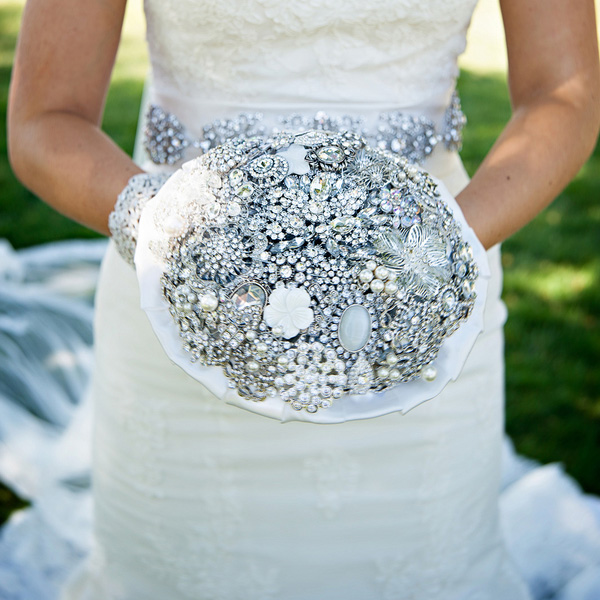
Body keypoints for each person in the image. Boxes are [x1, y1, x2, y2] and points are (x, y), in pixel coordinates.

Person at [6, 0, 600, 598]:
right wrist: (173, 235)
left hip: (420, 303)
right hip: (191, 310)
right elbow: (46, 118)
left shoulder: (431, 268)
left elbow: (563, 90)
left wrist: (434, 253)